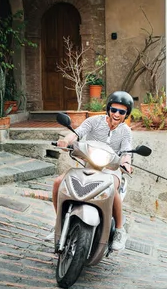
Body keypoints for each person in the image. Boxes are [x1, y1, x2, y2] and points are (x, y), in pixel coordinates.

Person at [50, 91, 134, 251]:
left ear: (126, 114)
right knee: (58, 183)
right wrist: (65, 141)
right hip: (88, 163)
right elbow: (77, 133)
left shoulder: (126, 131)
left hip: (111, 169)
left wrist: (126, 163)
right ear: (108, 109)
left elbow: (126, 152)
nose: (117, 114)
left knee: (112, 189)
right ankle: (59, 223)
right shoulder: (94, 121)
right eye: (114, 110)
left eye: (121, 112)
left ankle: (119, 230)